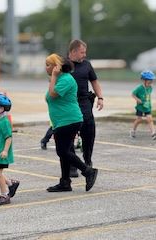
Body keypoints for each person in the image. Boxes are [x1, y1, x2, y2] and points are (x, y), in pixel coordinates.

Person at [45, 53, 98, 192]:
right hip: (61, 122)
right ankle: (65, 182)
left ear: (57, 67)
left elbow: (52, 94)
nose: (46, 68)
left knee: (62, 151)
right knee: (65, 151)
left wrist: (54, 77)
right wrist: (54, 78)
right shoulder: (59, 79)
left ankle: (87, 171)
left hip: (69, 120)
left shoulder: (66, 79)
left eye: (48, 65)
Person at [68, 39, 104, 177]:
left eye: (85, 52)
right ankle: (72, 165)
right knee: (69, 135)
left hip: (84, 103)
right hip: (69, 104)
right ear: (73, 51)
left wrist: (100, 97)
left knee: (89, 132)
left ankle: (87, 160)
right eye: (82, 52)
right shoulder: (64, 64)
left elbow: (94, 81)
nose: (84, 55)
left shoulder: (87, 65)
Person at [0, 93, 20, 205]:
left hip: (1, 153)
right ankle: (11, 184)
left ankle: (5, 195)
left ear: (1, 109)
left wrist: (5, 150)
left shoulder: (4, 121)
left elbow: (8, 137)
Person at [130, 70, 156, 140]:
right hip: (140, 107)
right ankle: (133, 131)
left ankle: (153, 133)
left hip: (147, 107)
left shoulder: (150, 88)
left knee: (150, 119)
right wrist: (138, 100)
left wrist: (148, 103)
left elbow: (148, 96)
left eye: (152, 80)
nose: (151, 82)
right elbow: (133, 94)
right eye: (149, 80)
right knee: (139, 119)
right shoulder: (139, 88)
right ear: (144, 80)